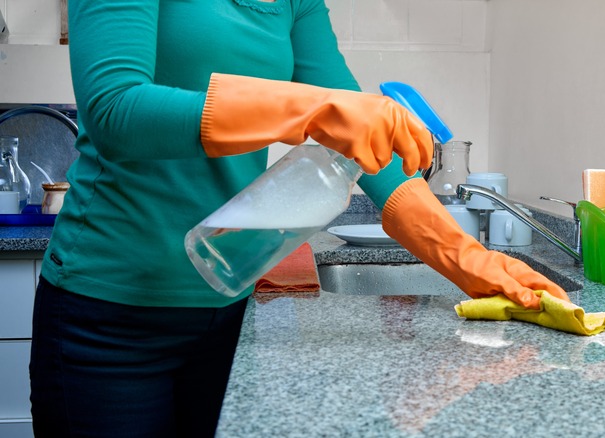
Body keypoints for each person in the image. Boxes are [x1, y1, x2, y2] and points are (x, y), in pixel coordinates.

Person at [29, 0, 570, 436]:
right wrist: (313, 110)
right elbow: (116, 109)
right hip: (107, 318)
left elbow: (366, 147)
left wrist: (468, 259)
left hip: (226, 307)